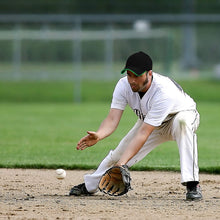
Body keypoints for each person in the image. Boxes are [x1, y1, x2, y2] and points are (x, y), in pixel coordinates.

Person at [69, 51, 202, 201]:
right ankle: (91, 185)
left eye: (137, 75)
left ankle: (192, 183)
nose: (132, 80)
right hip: (150, 122)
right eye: (129, 75)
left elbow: (143, 134)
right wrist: (99, 135)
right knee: (118, 155)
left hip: (179, 116)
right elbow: (112, 119)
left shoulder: (164, 92)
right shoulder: (123, 85)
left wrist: (122, 165)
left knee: (182, 123)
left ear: (149, 74)